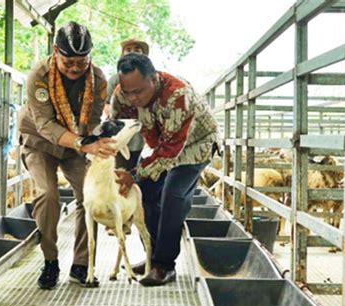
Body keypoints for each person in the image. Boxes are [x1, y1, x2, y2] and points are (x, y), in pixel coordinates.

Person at [17, 21, 115, 290]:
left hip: (77, 144)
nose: (75, 68)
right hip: (39, 141)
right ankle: (50, 260)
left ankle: (82, 264)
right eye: (69, 61)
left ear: (90, 57)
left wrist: (101, 138)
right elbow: (45, 125)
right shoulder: (39, 74)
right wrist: (84, 144)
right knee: (48, 195)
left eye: (81, 62)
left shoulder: (99, 80)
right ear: (55, 52)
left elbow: (93, 120)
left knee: (90, 196)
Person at [113, 53, 219, 286]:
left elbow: (171, 151)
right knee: (146, 193)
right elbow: (118, 128)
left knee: (173, 194)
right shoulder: (123, 95)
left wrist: (133, 175)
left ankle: (165, 266)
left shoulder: (178, 95)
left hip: (194, 145)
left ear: (154, 79)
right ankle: (152, 256)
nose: (132, 98)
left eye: (138, 91)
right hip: (160, 143)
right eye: (127, 91)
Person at [106, 39, 149, 171]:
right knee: (120, 166)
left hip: (141, 129)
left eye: (137, 49)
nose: (132, 52)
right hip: (121, 130)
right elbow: (107, 104)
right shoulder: (115, 80)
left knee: (135, 164)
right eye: (128, 50)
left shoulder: (150, 79)